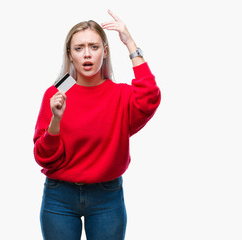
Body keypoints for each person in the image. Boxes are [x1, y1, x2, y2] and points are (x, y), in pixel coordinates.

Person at [33, 10, 161, 240]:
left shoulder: (119, 95)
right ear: (70, 55)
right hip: (59, 196)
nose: (87, 55)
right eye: (79, 48)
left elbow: (150, 96)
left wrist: (129, 42)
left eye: (94, 46)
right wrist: (56, 119)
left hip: (107, 197)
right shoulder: (57, 93)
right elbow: (43, 157)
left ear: (105, 51)